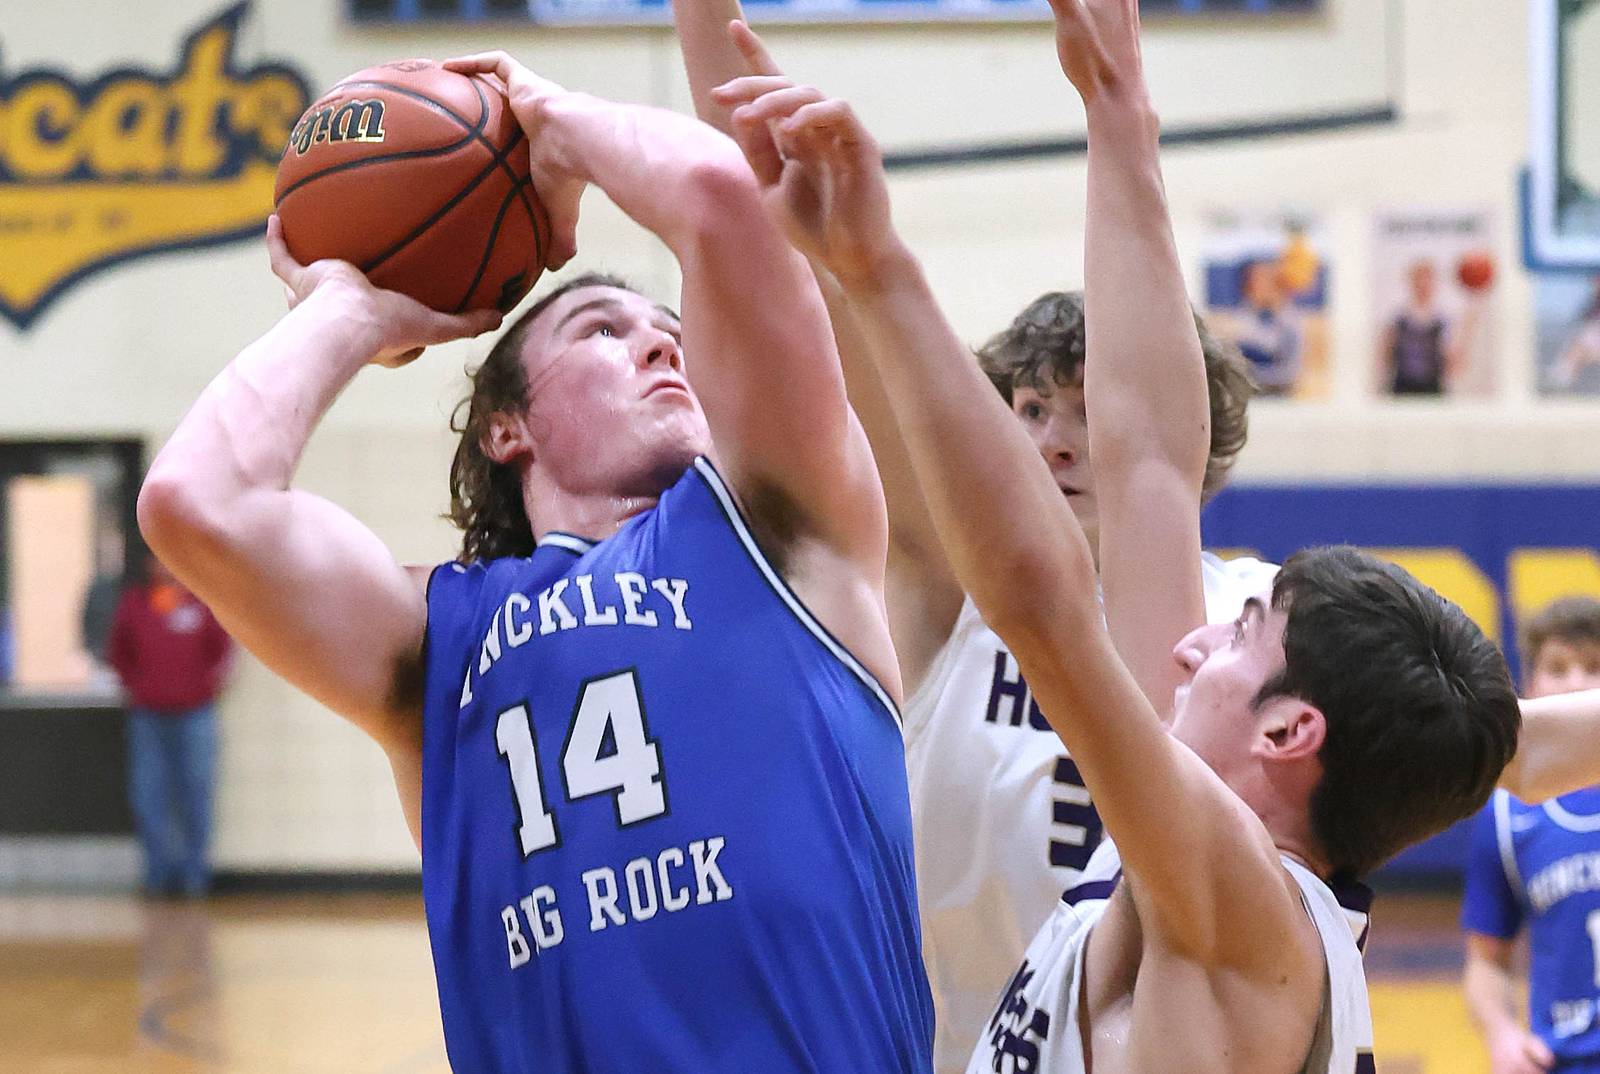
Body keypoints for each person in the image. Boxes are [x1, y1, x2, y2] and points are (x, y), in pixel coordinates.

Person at [711, 0, 1522, 1068]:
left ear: (1288, 734)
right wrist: (1115, 110)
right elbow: (1147, 469)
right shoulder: (1198, 872)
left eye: (1240, 641)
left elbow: (1043, 607)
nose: (1195, 636)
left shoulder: (1228, 896)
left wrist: (879, 272)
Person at [138, 57, 931, 1072]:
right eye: (604, 331)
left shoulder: (781, 527)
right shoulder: (433, 639)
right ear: (506, 426)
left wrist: (551, 123)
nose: (661, 350)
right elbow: (193, 502)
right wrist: (349, 310)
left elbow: (720, 196)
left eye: (672, 333)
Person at [667, 5, 1264, 1067]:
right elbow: (821, 333)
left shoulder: (1256, 617)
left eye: (1084, 412)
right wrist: (707, 28)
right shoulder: (950, 589)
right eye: (1028, 412)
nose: (1056, 443)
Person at [1464, 596, 1600, 1074]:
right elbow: (1486, 960)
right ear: (1530, 685)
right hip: (1562, 1061)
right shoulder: (1506, 816)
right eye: (1558, 668)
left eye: (1594, 667)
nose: (1577, 683)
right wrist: (1501, 1032)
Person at [106, 553, 232, 896]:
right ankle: (157, 875)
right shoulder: (135, 604)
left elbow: (223, 651)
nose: (165, 567)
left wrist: (206, 686)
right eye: (158, 561)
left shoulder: (202, 603)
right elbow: (118, 652)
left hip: (195, 715)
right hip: (148, 716)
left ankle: (194, 877)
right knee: (149, 795)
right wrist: (135, 685)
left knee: (195, 792)